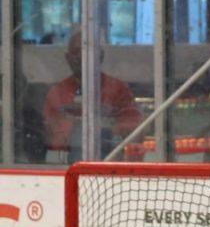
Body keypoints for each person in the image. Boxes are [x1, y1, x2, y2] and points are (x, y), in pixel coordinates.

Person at [42, 30, 144, 161]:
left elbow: (134, 129)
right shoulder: (56, 92)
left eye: (90, 52)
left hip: (109, 162)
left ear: (101, 56)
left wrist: (107, 126)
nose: (83, 57)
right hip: (65, 164)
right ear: (68, 58)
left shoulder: (118, 89)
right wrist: (72, 126)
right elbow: (51, 135)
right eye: (77, 52)